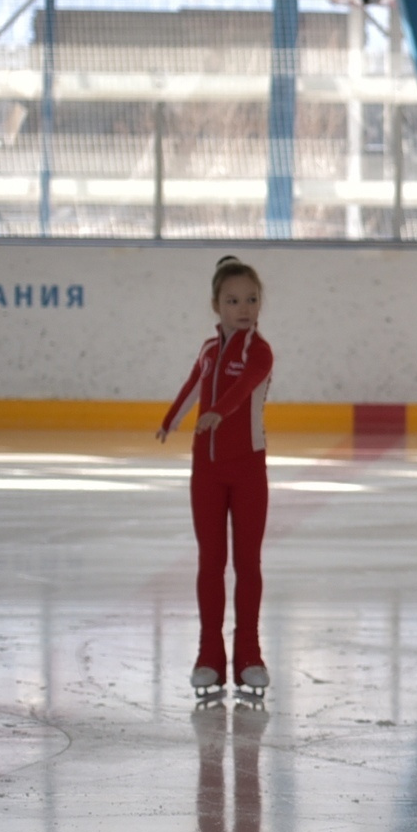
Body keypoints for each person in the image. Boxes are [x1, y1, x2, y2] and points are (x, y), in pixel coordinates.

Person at [157, 255, 275, 707]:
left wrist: (217, 413)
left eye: (251, 299)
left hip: (248, 470)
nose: (243, 307)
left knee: (247, 564)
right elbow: (192, 385)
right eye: (233, 300)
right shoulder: (208, 351)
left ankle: (249, 654)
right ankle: (210, 653)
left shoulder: (259, 351)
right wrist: (171, 420)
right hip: (205, 473)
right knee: (210, 563)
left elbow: (243, 387)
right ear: (216, 305)